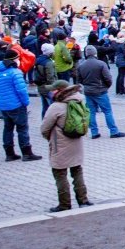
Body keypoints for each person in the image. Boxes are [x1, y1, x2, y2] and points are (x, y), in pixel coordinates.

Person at [39, 81, 92, 212]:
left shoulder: (56, 106)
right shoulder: (79, 101)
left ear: (59, 90)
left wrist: (50, 138)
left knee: (60, 174)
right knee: (77, 171)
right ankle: (83, 200)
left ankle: (64, 204)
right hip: (76, 143)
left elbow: (45, 128)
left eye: (53, 89)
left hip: (60, 144)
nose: (51, 92)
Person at [0, 52, 42, 161]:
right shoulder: (15, 72)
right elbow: (21, 91)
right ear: (14, 59)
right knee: (22, 128)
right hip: (16, 105)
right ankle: (26, 153)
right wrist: (26, 102)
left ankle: (9, 153)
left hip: (3, 105)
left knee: (7, 128)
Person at [73, 45, 125, 140]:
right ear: (95, 53)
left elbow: (79, 80)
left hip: (88, 91)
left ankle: (94, 132)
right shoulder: (101, 64)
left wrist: (87, 85)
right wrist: (105, 86)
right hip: (100, 91)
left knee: (91, 112)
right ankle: (113, 131)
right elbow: (108, 78)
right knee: (107, 111)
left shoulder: (81, 65)